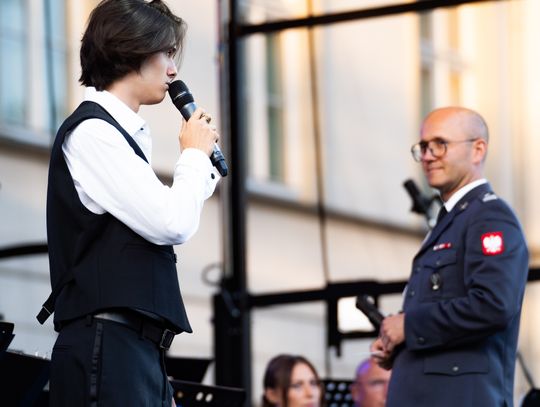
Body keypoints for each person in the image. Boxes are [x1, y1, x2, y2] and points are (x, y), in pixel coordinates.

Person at [36, 0, 220, 405]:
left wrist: (199, 162)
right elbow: (172, 222)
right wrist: (192, 156)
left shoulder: (120, 136)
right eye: (166, 53)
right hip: (108, 345)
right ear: (132, 48)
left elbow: (173, 215)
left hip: (135, 350)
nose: (173, 70)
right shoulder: (93, 134)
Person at [371, 107, 529, 406]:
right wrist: (401, 346)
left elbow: (493, 304)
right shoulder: (455, 219)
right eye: (424, 147)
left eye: (440, 144)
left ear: (477, 149)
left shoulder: (489, 217)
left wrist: (409, 326)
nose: (428, 156)